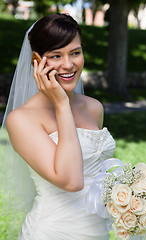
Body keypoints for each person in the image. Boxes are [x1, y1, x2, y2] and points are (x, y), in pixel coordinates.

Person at [0, 13, 115, 239]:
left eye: (75, 52)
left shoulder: (94, 108)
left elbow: (95, 176)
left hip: (96, 231)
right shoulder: (21, 120)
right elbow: (71, 180)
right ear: (37, 61)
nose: (68, 64)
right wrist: (61, 103)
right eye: (55, 55)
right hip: (53, 231)